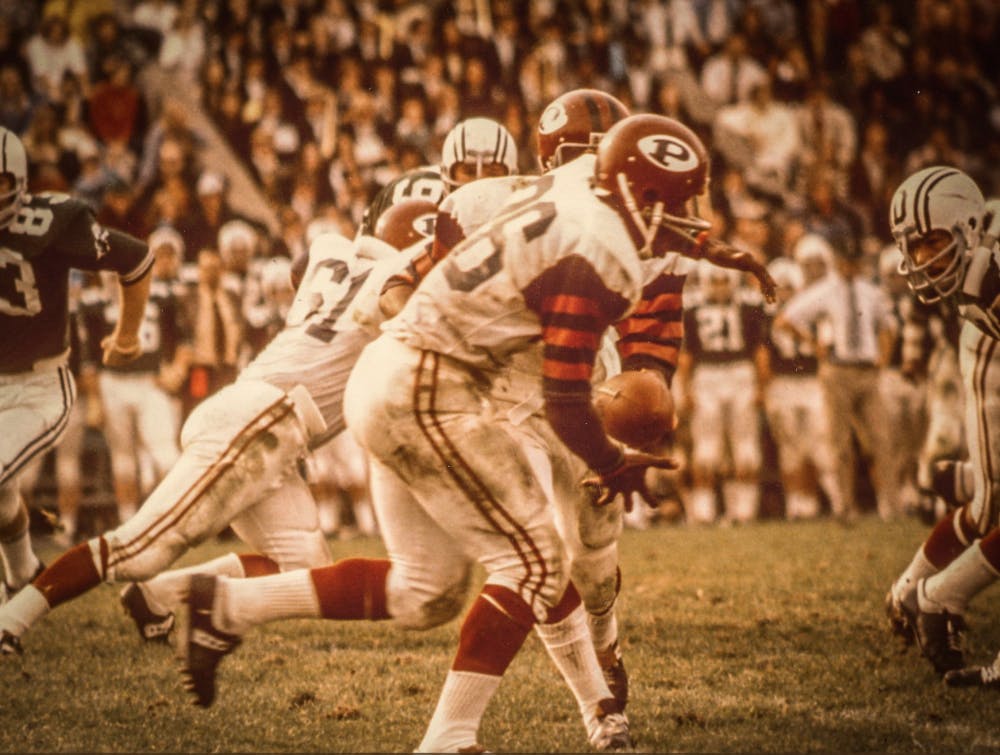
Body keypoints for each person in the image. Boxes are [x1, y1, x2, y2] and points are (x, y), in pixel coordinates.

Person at [175, 113, 775, 753]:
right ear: (637, 194)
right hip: (439, 394)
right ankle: (456, 738)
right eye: (676, 202)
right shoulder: (597, 250)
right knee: (537, 559)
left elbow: (590, 189)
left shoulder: (550, 188)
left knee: (423, 592)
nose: (688, 218)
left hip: (394, 378)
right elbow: (567, 399)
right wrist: (612, 461)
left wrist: (721, 252)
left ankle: (225, 606)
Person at [0, 126, 153, 603]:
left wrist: (126, 335)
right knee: (2, 499)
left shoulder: (51, 221)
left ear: (19, 182)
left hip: (39, 386)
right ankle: (24, 573)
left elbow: (136, 258)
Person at [883, 168, 1000, 680]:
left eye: (932, 241)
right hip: (990, 347)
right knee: (989, 507)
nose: (924, 259)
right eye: (917, 245)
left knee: (987, 503)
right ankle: (931, 596)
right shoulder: (984, 276)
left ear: (968, 226)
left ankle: (921, 593)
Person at [774, 227, 897, 522]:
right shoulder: (824, 291)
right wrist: (813, 343)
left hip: (866, 370)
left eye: (854, 261)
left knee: (880, 438)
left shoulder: (871, 291)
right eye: (846, 260)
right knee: (839, 442)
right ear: (838, 260)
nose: (850, 266)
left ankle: (889, 506)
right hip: (837, 369)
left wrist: (883, 359)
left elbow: (888, 326)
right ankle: (845, 505)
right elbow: (785, 319)